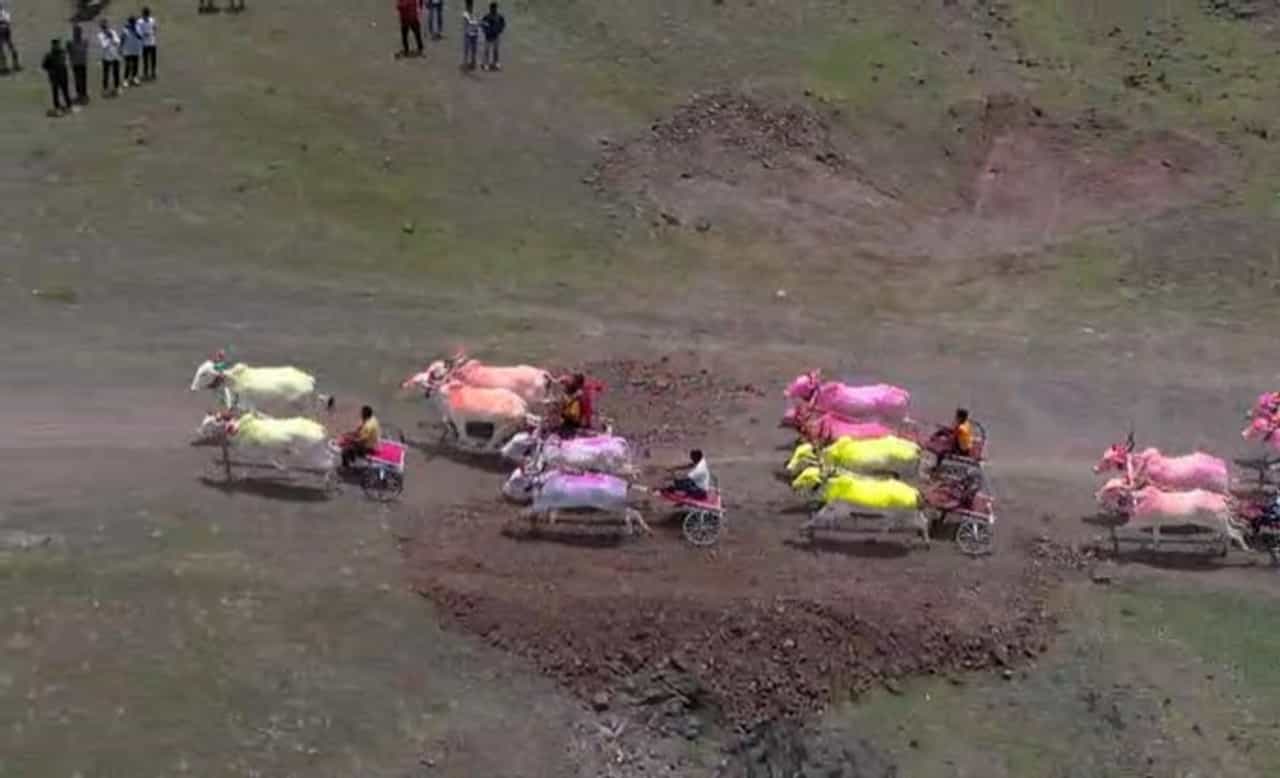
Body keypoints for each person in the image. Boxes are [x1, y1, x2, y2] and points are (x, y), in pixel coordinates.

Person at [41, 38, 72, 115]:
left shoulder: (62, 52)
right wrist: (51, 70)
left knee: (65, 91)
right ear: (53, 45)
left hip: (63, 75)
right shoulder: (49, 55)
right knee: (55, 92)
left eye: (58, 44)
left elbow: (68, 52)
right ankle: (57, 106)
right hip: (54, 77)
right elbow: (44, 66)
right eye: (55, 45)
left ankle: (68, 105)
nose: (57, 46)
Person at [97, 18, 121, 97]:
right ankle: (105, 89)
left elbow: (118, 42)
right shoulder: (100, 35)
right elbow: (104, 45)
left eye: (106, 26)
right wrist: (109, 39)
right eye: (103, 26)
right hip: (106, 58)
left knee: (116, 73)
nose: (105, 28)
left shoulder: (113, 32)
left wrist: (112, 38)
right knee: (106, 74)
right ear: (101, 27)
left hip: (115, 56)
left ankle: (117, 87)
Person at [68, 25, 89, 105]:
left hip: (78, 63)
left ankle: (81, 95)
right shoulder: (84, 42)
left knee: (79, 80)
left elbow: (69, 51)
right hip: (80, 63)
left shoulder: (71, 43)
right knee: (81, 79)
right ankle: (82, 95)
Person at [481, 2, 504, 71]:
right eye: (492, 8)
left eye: (495, 8)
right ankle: (486, 63)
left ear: (496, 8)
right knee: (487, 51)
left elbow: (503, 24)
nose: (494, 9)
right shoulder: (486, 16)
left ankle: (496, 62)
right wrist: (485, 31)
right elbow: (482, 24)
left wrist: (500, 30)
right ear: (490, 8)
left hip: (496, 36)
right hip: (488, 37)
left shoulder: (499, 16)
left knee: (496, 51)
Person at [120, 16, 142, 87]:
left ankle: (134, 78)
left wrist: (134, 30)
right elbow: (122, 39)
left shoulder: (138, 28)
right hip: (127, 50)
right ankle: (125, 79)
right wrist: (120, 48)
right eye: (132, 22)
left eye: (134, 22)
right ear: (129, 22)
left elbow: (140, 37)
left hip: (136, 49)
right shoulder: (125, 29)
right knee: (128, 65)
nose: (133, 24)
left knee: (135, 64)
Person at [138, 7, 156, 81]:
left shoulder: (152, 20)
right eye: (145, 15)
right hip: (144, 44)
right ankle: (145, 73)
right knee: (145, 60)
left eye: (147, 15)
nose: (146, 16)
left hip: (152, 43)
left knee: (153, 59)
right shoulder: (140, 22)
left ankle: (153, 72)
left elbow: (154, 28)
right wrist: (144, 34)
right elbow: (138, 31)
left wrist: (153, 33)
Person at [0, 1, 19, 72]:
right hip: (6, 30)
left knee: (2, 49)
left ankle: (4, 67)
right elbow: (8, 22)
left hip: (2, 30)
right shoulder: (5, 13)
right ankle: (15, 64)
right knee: (10, 46)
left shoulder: (4, 13)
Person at [461, 0, 479, 70]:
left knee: (474, 50)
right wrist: (476, 23)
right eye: (468, 6)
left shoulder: (474, 13)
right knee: (466, 49)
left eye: (470, 5)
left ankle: (473, 62)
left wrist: (477, 26)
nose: (469, 7)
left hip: (474, 33)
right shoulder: (465, 14)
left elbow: (476, 21)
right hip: (468, 34)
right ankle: (465, 63)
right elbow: (469, 22)